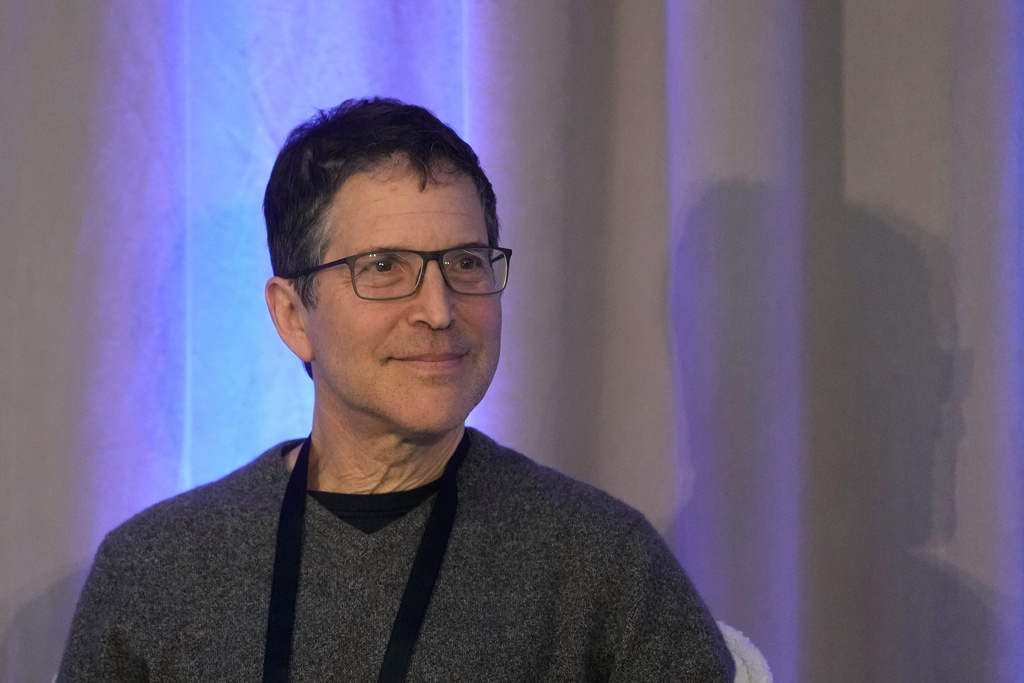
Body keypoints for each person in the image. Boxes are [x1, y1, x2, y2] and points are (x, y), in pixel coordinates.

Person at [58, 98, 736, 682]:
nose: (439, 309)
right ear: (294, 316)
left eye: (466, 262)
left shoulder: (603, 564)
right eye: (384, 267)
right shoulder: (154, 571)